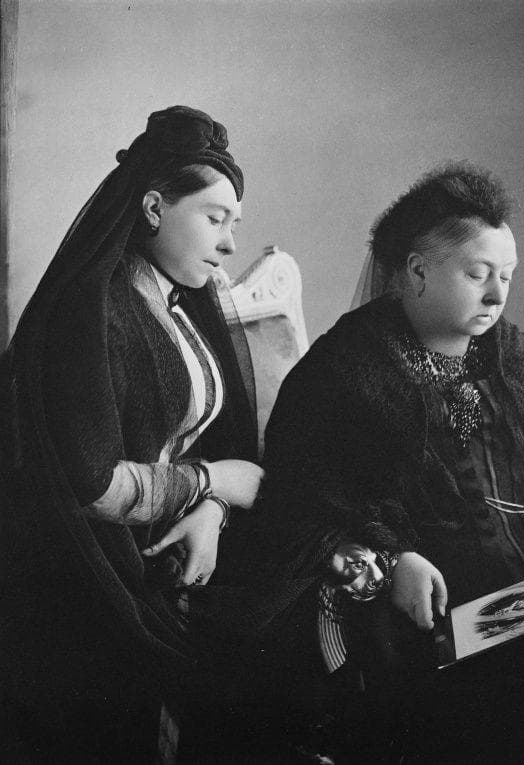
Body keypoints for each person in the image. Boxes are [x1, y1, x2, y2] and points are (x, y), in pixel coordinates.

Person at [235, 162, 524, 762]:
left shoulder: (517, 357)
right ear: (417, 272)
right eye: (478, 274)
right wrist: (391, 556)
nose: (497, 295)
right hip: (434, 615)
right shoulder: (344, 369)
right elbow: (299, 494)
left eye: (506, 276)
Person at [0, 106, 265, 760]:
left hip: (159, 559)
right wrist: (214, 481)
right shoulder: (92, 309)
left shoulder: (178, 302)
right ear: (152, 207)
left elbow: (207, 441)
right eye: (215, 219)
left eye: (234, 224)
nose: (229, 243)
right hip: (84, 581)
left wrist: (211, 509)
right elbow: (92, 486)